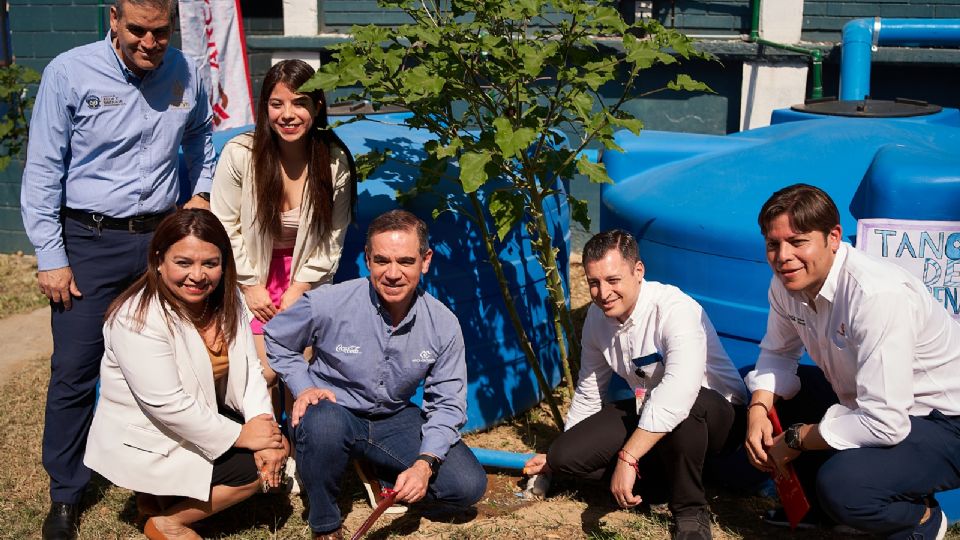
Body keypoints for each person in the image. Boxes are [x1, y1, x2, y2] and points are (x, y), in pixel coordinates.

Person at [19, 0, 215, 537]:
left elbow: (201, 134)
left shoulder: (188, 70)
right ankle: (66, 493)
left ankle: (164, 475)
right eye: (138, 31)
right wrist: (52, 256)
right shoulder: (69, 72)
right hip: (88, 240)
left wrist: (196, 193)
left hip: (159, 240)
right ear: (113, 19)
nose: (150, 43)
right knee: (76, 369)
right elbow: (43, 168)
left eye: (161, 32)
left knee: (171, 361)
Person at [744, 183, 960, 539]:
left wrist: (797, 438)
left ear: (833, 237)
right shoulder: (786, 284)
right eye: (773, 244)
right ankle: (818, 512)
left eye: (798, 242)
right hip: (874, 402)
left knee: (845, 486)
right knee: (766, 397)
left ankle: (920, 521)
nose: (783, 256)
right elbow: (778, 353)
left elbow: (886, 422)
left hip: (944, 420)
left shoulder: (875, 295)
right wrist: (758, 409)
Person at [265, 209, 488, 539]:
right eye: (382, 260)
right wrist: (304, 386)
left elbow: (448, 404)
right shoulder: (330, 302)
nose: (393, 273)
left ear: (425, 261)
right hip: (333, 410)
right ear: (368, 259)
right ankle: (325, 522)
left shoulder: (442, 324)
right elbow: (276, 337)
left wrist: (424, 464)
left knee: (467, 487)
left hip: (393, 417)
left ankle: (382, 469)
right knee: (322, 422)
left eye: (406, 262)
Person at [523, 230, 749, 540]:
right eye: (593, 282)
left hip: (716, 417)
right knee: (565, 456)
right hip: (651, 409)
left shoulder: (676, 309)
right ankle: (657, 483)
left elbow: (678, 394)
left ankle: (689, 512)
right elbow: (590, 390)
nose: (603, 293)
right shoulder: (597, 318)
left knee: (686, 406)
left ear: (638, 271)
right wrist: (556, 462)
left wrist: (628, 457)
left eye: (613, 280)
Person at [84, 209, 286, 540]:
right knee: (252, 470)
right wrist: (242, 437)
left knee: (275, 448)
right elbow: (167, 404)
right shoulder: (136, 317)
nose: (198, 275)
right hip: (154, 434)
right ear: (159, 260)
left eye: (210, 263)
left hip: (198, 415)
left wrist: (265, 429)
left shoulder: (228, 298)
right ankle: (169, 520)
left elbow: (250, 370)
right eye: (184, 263)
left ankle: (161, 499)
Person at [211, 58, 356, 389]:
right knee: (267, 373)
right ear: (265, 108)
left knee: (301, 373)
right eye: (277, 104)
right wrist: (249, 286)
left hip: (307, 276)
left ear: (317, 106)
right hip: (249, 273)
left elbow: (332, 240)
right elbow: (224, 227)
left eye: (299, 103)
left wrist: (300, 288)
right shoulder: (240, 155)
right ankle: (266, 437)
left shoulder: (335, 161)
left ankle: (300, 439)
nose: (287, 115)